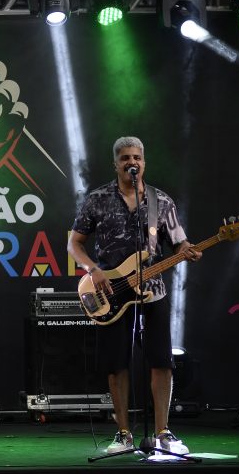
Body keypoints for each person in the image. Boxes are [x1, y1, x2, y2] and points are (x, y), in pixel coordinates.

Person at [67, 136, 201, 455]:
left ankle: (163, 432)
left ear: (144, 163)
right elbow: (74, 243)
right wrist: (92, 270)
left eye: (137, 157)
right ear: (116, 163)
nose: (132, 162)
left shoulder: (161, 201)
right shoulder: (98, 199)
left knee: (162, 362)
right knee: (116, 365)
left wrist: (188, 250)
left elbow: (179, 241)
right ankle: (124, 434)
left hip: (152, 292)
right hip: (110, 291)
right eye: (126, 157)